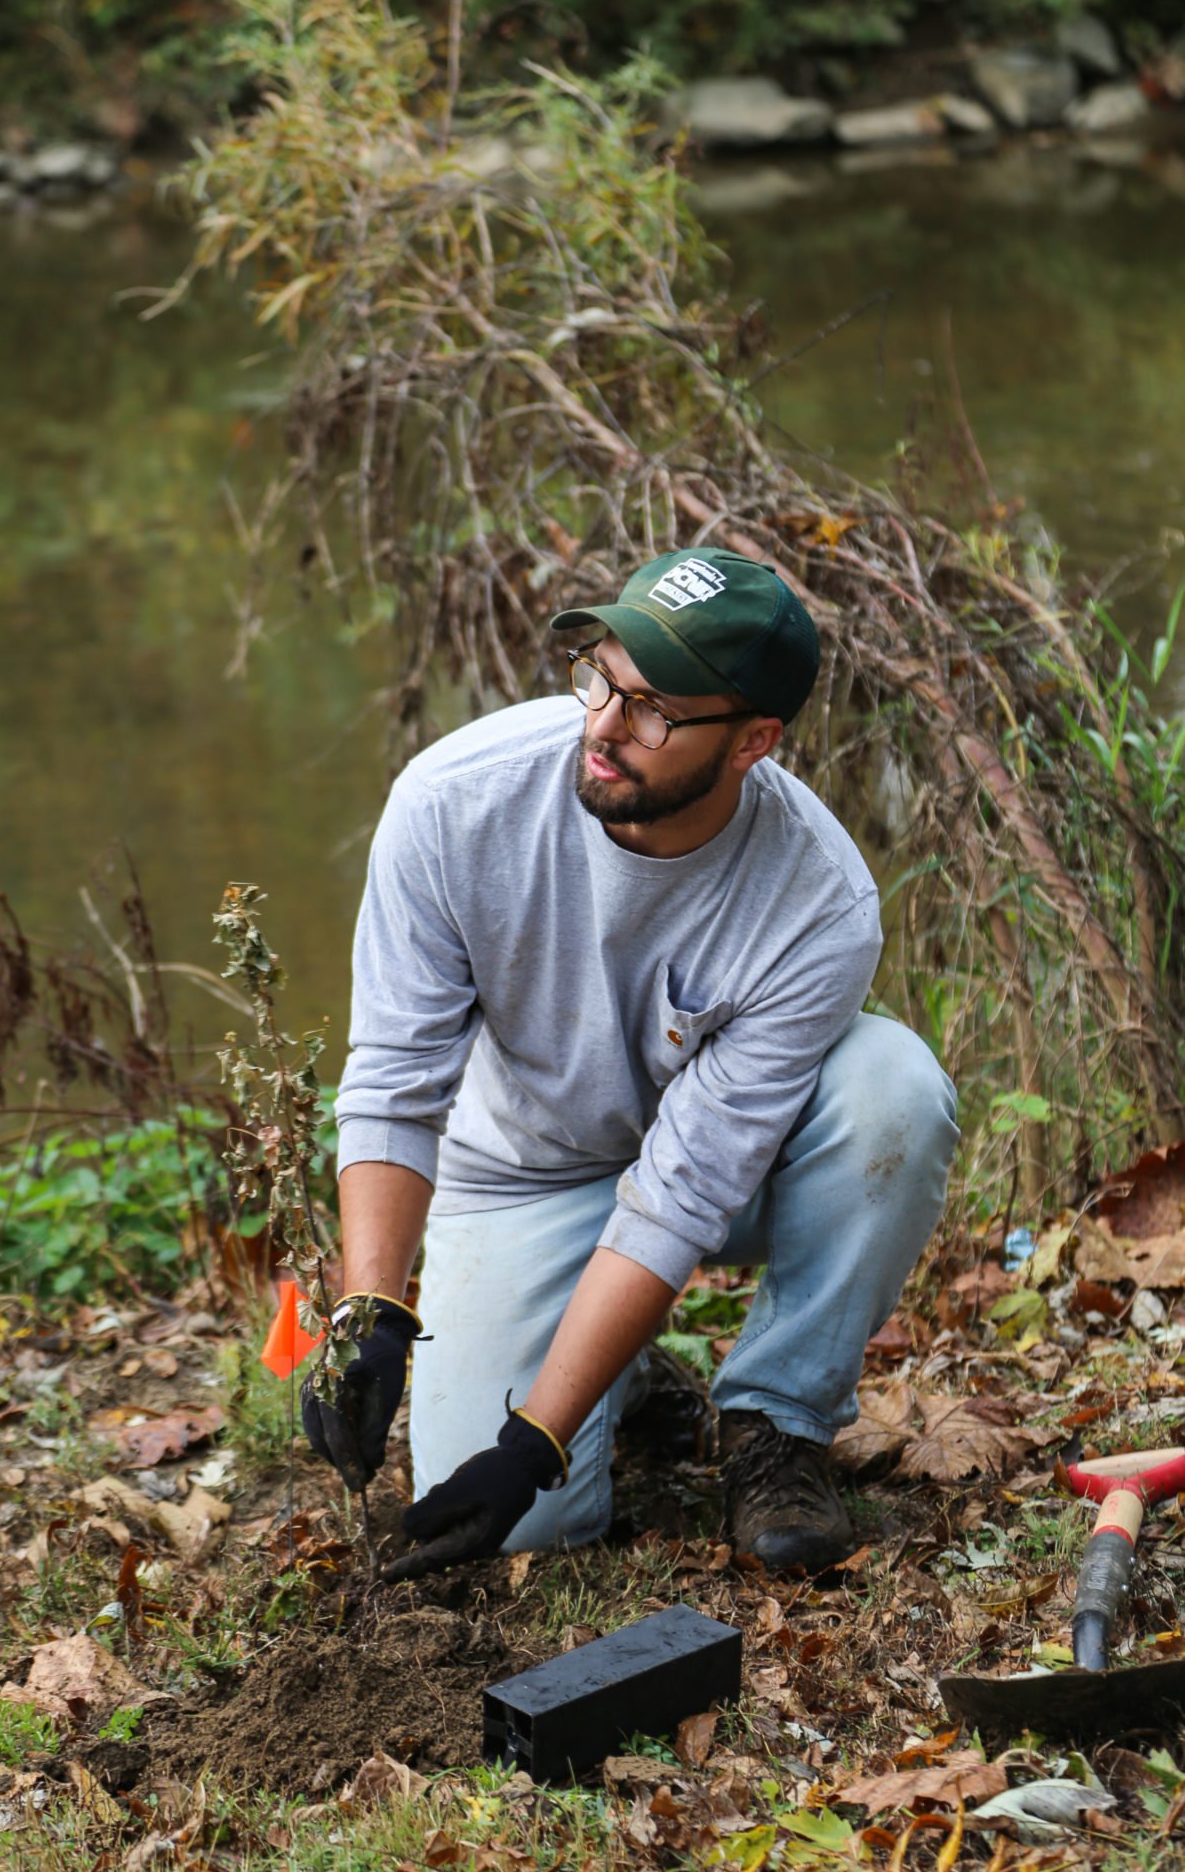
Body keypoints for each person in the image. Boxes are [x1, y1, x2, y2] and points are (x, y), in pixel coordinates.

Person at [302, 549, 958, 1577]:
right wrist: (371, 1308)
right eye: (599, 675)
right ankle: (626, 1372)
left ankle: (776, 1420)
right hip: (524, 1169)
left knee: (894, 1095)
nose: (603, 723)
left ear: (753, 740)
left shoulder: (818, 903)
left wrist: (536, 1439)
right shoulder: (453, 803)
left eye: (652, 709)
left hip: (731, 1176)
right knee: (515, 1531)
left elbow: (682, 1194)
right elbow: (394, 1080)